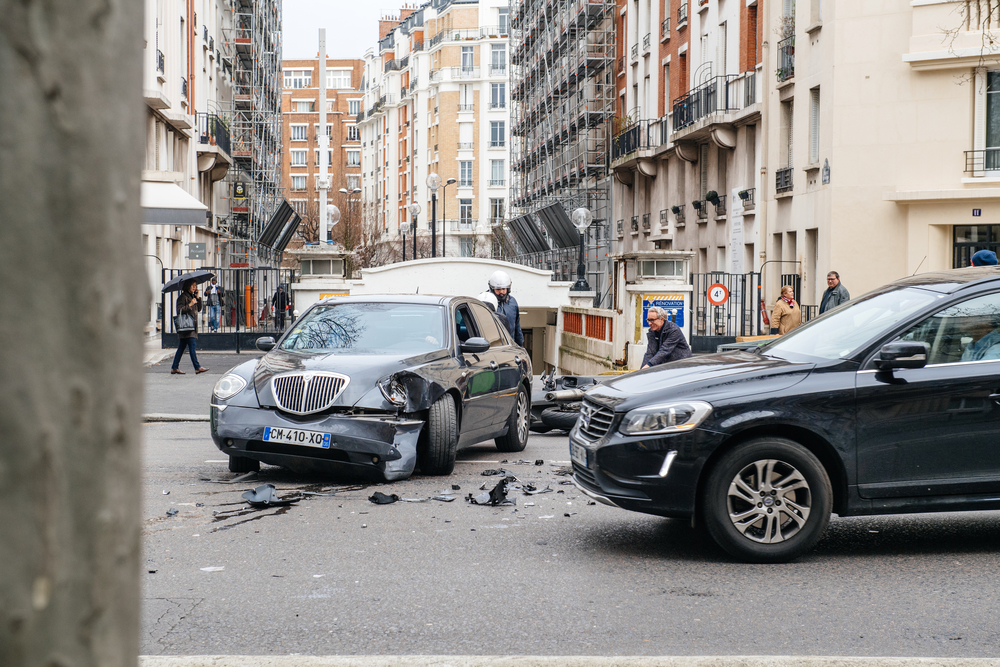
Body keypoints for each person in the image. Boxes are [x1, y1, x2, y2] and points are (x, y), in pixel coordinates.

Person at [171, 280, 209, 375]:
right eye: (192, 286)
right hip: (187, 327)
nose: (194, 288)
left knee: (181, 348)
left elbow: (199, 308)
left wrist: (197, 297)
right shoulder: (182, 297)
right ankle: (197, 367)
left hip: (191, 326)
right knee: (192, 346)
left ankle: (174, 367)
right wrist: (190, 304)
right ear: (188, 286)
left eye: (195, 286)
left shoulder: (192, 296)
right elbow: (179, 310)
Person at [487, 270, 523, 346]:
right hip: (493, 346)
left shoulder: (513, 303)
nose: (501, 292)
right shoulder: (486, 301)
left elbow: (517, 326)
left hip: (510, 346)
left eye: (503, 289)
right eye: (498, 289)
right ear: (492, 289)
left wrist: (520, 345)